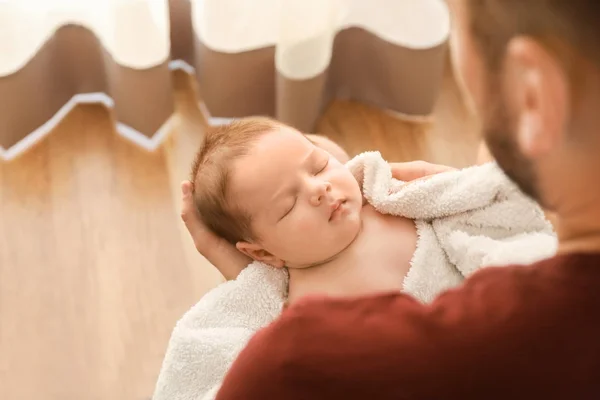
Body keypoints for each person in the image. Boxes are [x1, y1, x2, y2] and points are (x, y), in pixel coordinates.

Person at [180, 0, 600, 398]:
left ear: (534, 94)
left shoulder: (292, 363)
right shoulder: (295, 303)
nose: (321, 189)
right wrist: (255, 286)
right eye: (287, 206)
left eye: (319, 166)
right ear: (262, 252)